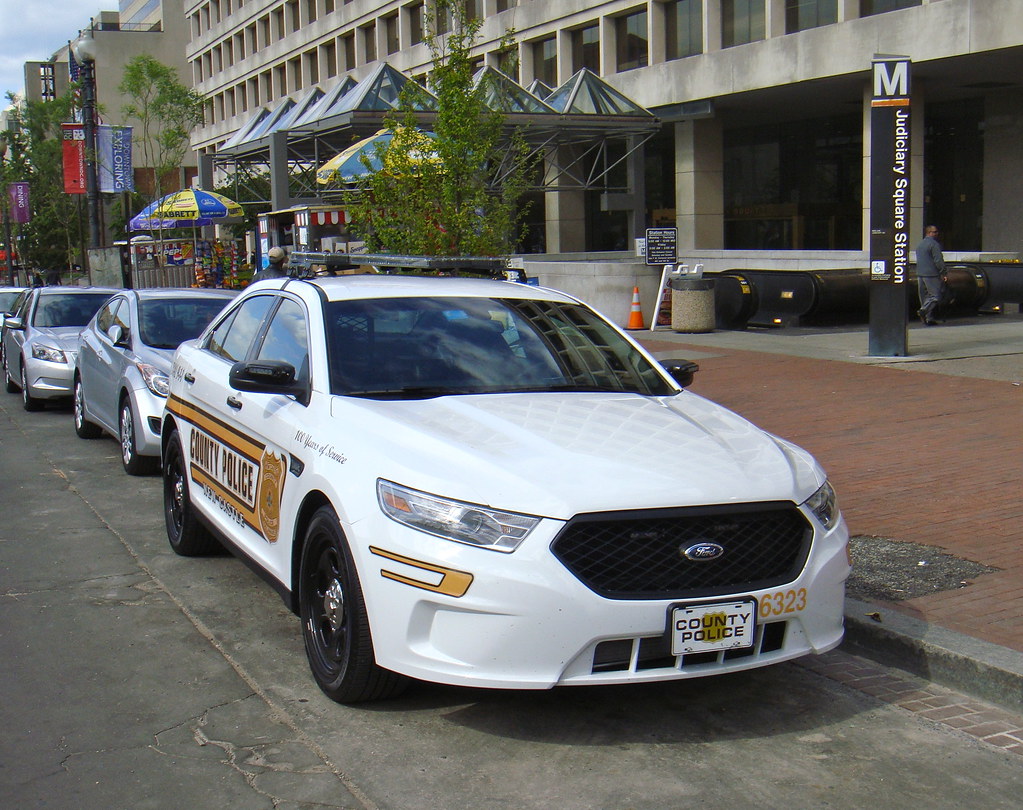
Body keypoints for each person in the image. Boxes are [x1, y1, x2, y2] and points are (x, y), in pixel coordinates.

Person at [915, 224, 948, 325]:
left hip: (920, 273)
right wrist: (943, 272)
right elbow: (938, 260)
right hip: (931, 274)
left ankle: (929, 318)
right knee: (935, 296)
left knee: (924, 297)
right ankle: (923, 311)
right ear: (929, 233)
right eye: (934, 232)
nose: (936, 234)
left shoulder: (920, 245)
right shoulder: (934, 244)